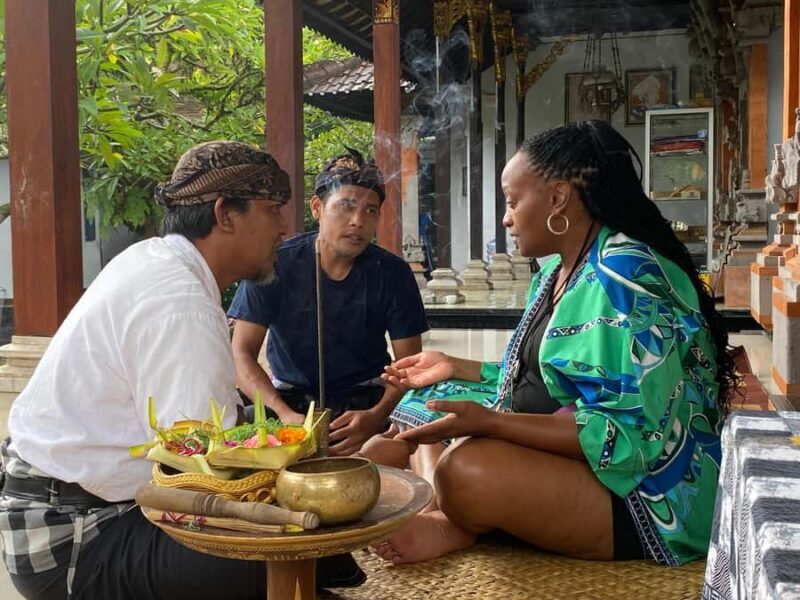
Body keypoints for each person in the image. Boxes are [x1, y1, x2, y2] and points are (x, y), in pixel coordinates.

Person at [0, 141, 363, 600]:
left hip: (75, 509)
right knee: (301, 541)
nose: (284, 228)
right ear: (224, 215)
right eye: (272, 210)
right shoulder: (180, 302)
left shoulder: (158, 260)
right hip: (76, 541)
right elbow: (207, 468)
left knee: (311, 555)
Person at [369, 121, 736, 567]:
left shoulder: (621, 280)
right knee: (427, 401)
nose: (506, 218)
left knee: (466, 470)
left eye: (512, 202)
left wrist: (492, 424)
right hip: (574, 450)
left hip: (645, 491)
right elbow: (544, 380)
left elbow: (621, 438)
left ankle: (451, 516)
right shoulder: (556, 271)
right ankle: (446, 512)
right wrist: (455, 367)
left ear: (558, 198)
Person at [227, 148, 428, 456]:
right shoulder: (276, 264)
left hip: (367, 400)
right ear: (317, 207)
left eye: (370, 211)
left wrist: (375, 416)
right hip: (288, 402)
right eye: (345, 207)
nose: (358, 221)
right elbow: (240, 355)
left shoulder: (392, 273)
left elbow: (410, 367)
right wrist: (284, 415)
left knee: (408, 443)